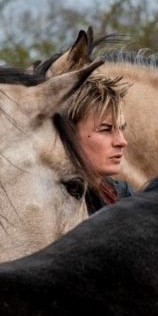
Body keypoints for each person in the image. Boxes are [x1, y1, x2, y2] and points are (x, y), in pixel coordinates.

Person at [64, 74, 134, 214]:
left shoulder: (122, 196)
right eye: (106, 129)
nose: (122, 142)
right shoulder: (51, 204)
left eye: (121, 129)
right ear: (69, 135)